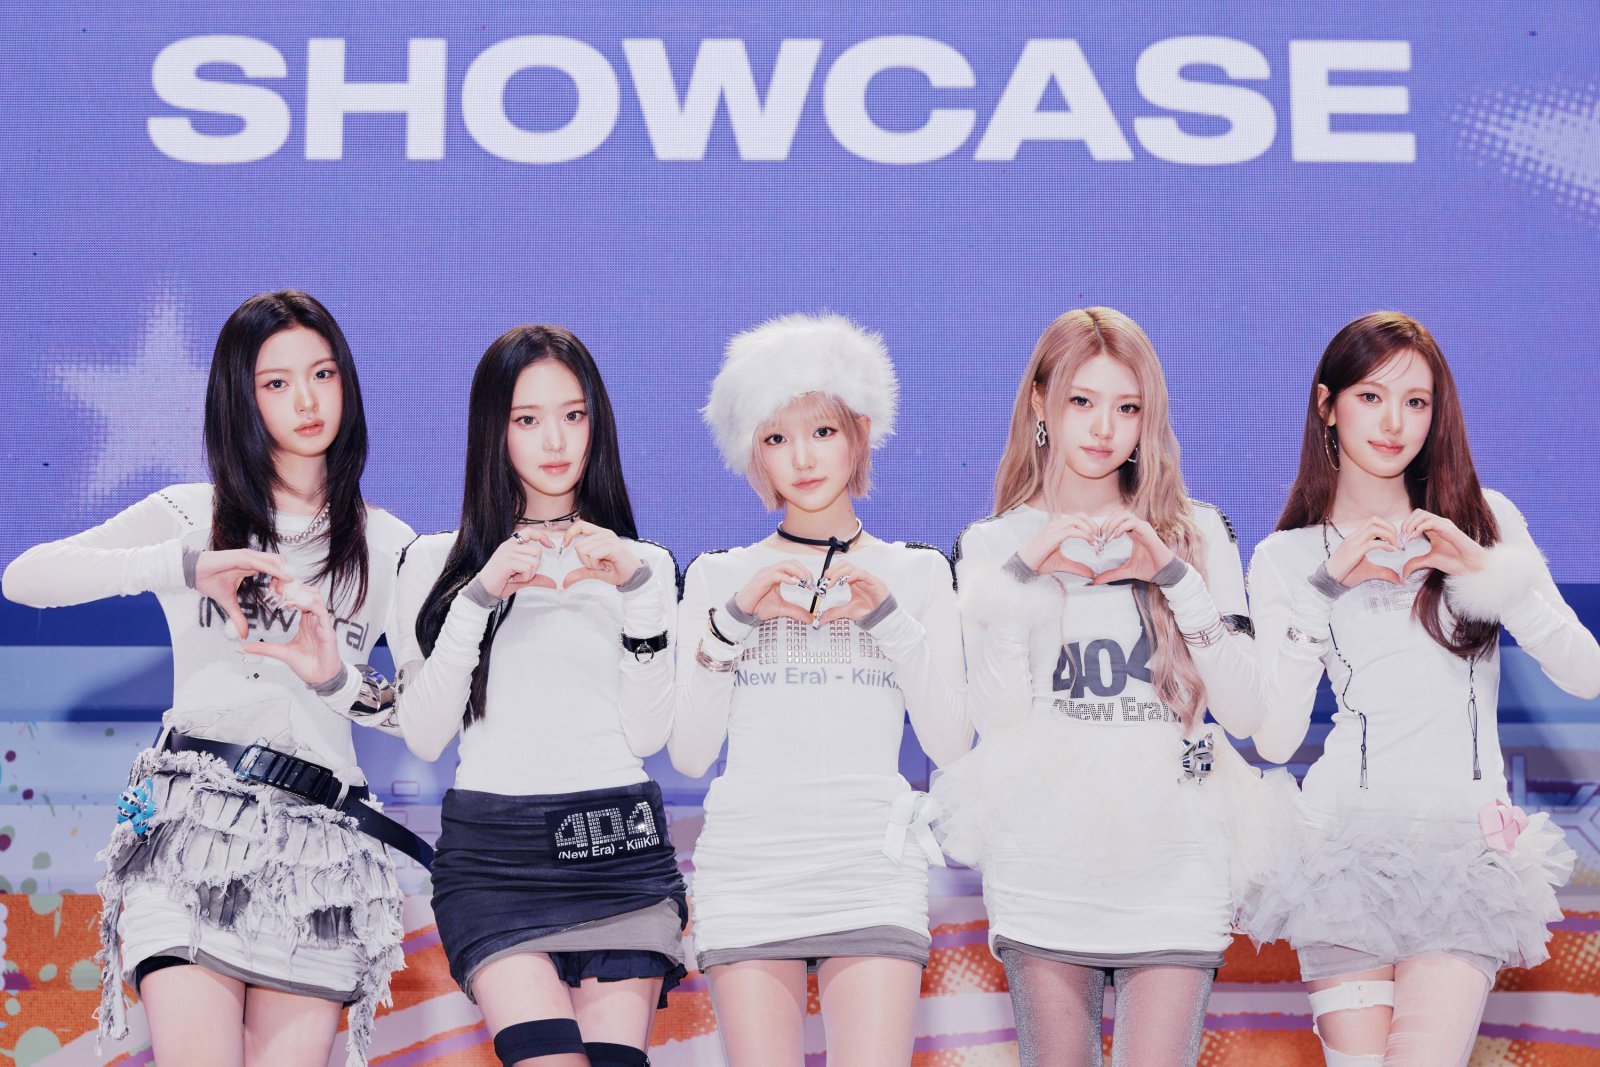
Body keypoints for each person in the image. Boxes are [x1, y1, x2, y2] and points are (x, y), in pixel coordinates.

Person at [3, 290, 422, 1067]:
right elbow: (26, 576)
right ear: (240, 396)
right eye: (276, 382)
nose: (306, 400)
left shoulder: (390, 544)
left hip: (321, 853)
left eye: (323, 373)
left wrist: (339, 680)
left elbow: (424, 714)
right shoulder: (190, 515)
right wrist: (187, 565)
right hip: (188, 828)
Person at [299, 325, 686, 1067]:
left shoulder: (645, 564)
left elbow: (646, 733)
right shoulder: (433, 561)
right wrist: (478, 595)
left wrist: (637, 591)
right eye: (528, 419)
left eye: (573, 415)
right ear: (494, 430)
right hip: (496, 859)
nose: (556, 441)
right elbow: (425, 734)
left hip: (619, 848)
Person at [1241, 311, 1600, 1066]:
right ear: (1327, 404)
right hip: (1341, 852)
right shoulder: (1286, 556)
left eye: (1416, 402)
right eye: (1371, 397)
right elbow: (1273, 738)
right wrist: (1324, 589)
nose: (1394, 423)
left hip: (1463, 852)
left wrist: (1488, 576)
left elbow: (1585, 672)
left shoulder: (1486, 521)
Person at [932, 307, 1270, 1067]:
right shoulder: (993, 544)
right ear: (1039, 402)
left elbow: (1246, 713)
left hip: (1177, 858)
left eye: (1127, 407)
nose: (1103, 428)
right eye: (1082, 401)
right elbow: (998, 722)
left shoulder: (1198, 532)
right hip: (1046, 860)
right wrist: (1024, 574)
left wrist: (1175, 576)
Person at [671, 311, 971, 1066]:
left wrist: (891, 622)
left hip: (871, 860)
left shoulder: (916, 573)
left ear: (860, 432)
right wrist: (734, 623)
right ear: (753, 453)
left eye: (823, 431)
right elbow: (690, 754)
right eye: (776, 438)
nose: (802, 458)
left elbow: (950, 744)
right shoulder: (717, 577)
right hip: (752, 862)